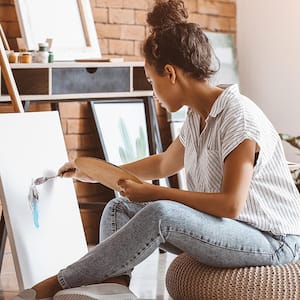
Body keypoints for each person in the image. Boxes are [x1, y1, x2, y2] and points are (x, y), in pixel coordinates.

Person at [14, 0, 300, 299]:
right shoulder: (196, 115)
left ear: (171, 73)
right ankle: (114, 289)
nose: (153, 91)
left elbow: (230, 204)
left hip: (273, 241)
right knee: (118, 208)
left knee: (161, 212)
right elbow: (165, 164)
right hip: (231, 229)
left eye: (152, 81)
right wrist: (97, 173)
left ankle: (53, 285)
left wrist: (156, 193)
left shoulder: (238, 118)